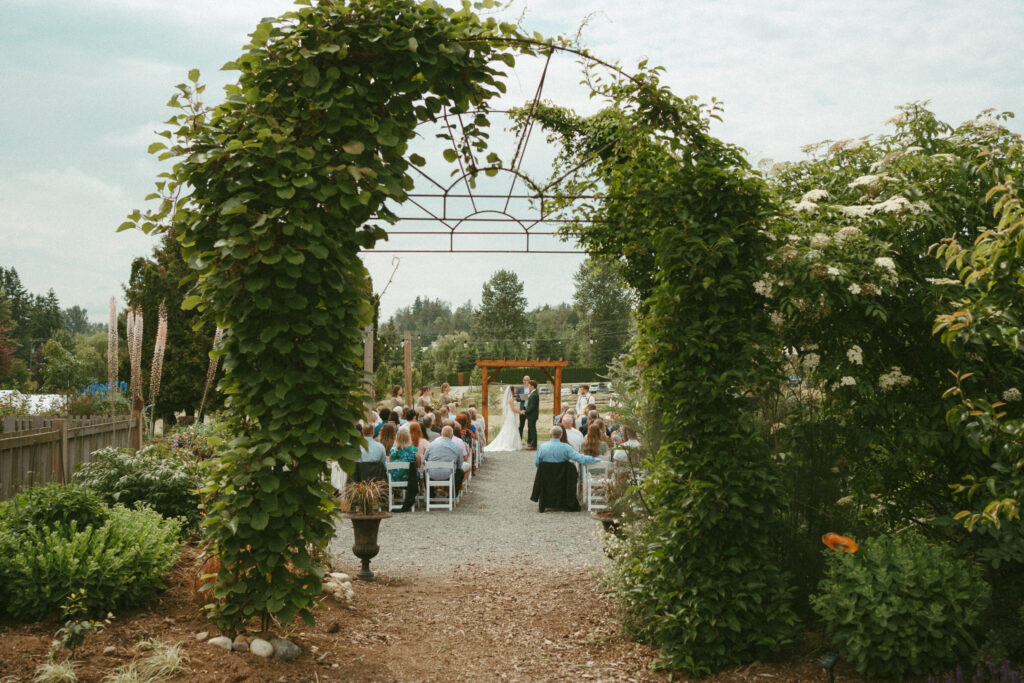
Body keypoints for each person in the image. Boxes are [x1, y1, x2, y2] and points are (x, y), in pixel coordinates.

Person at [424, 425, 466, 495]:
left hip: (432, 475)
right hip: (449, 476)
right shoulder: (456, 447)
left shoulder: (432, 445)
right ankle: (452, 495)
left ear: (441, 434)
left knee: (426, 472)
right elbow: (459, 465)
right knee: (461, 472)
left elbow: (424, 460)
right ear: (452, 436)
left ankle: (431, 495)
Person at [535, 426, 600, 468]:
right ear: (561, 436)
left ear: (550, 435)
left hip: (545, 477)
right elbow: (580, 458)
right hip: (561, 477)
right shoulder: (566, 448)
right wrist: (596, 459)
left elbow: (537, 464)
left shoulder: (542, 447)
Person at [388, 426, 420, 512]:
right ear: (408, 437)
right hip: (410, 479)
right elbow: (419, 465)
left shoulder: (392, 450)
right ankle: (412, 498)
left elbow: (391, 462)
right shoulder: (414, 450)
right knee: (416, 472)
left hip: (395, 478)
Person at [484, 385, 523, 452]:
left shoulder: (512, 398)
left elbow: (520, 399)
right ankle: (510, 444)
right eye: (515, 389)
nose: (516, 390)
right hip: (511, 415)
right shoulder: (511, 399)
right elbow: (513, 409)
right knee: (511, 428)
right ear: (512, 390)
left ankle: (511, 443)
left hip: (511, 415)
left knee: (511, 428)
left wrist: (527, 396)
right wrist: (520, 411)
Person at [520, 379, 540, 449]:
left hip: (532, 415)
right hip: (531, 415)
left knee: (532, 429)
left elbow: (532, 407)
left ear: (532, 386)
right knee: (531, 429)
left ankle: (534, 445)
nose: (528, 387)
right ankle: (532, 443)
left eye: (529, 386)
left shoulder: (534, 394)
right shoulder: (533, 393)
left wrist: (525, 411)